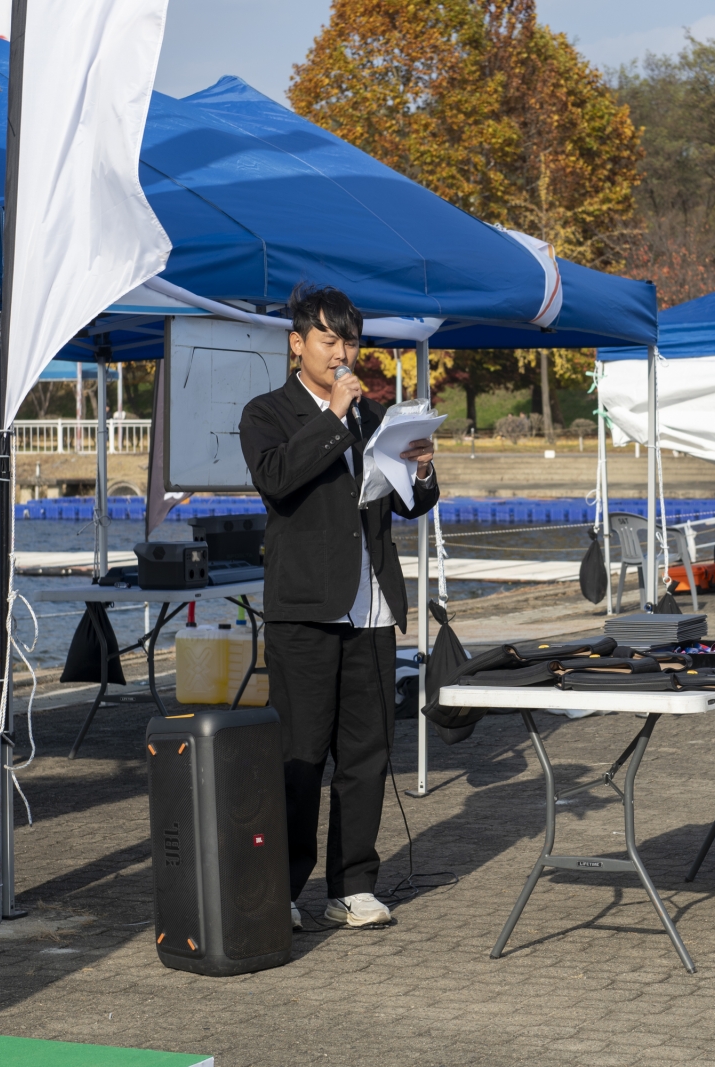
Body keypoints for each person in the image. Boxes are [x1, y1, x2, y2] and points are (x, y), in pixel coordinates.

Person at [240, 286, 439, 930]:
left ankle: (352, 885)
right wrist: (332, 416)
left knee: (366, 754)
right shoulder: (267, 412)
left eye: (350, 341)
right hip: (305, 609)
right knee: (300, 755)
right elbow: (276, 480)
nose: (342, 353)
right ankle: (283, 888)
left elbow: (410, 504)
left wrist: (422, 469)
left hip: (372, 607)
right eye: (329, 340)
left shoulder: (374, 416)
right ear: (297, 344)